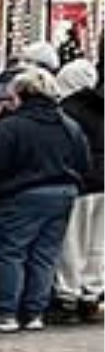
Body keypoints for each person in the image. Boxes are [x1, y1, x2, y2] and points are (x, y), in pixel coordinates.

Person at [0, 67, 95, 332]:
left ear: (19, 94)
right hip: (64, 193)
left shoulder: (11, 126)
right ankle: (33, 313)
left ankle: (5, 312)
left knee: (10, 251)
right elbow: (84, 162)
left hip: (22, 194)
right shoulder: (69, 125)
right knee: (45, 254)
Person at [58, 60, 105, 323]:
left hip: (81, 181)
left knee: (73, 240)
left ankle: (69, 294)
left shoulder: (70, 109)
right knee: (98, 242)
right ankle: (93, 291)